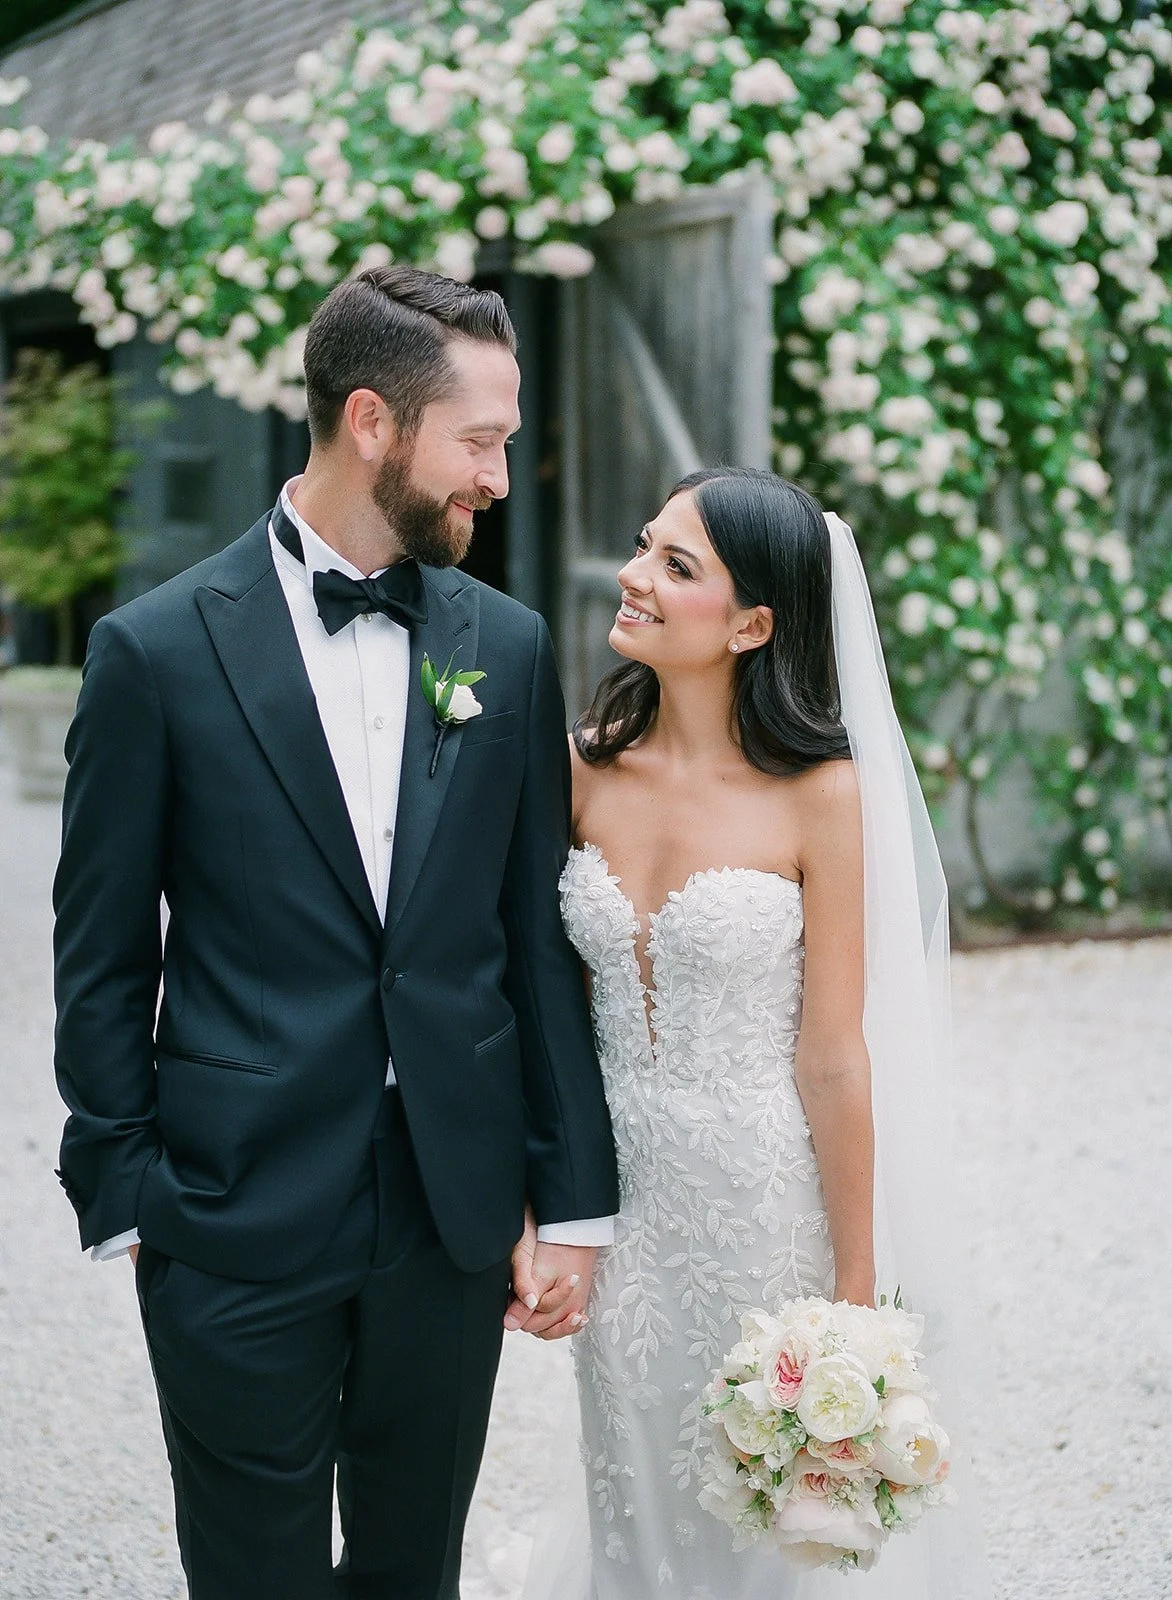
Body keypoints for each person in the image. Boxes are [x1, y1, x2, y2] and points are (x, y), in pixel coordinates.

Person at [52, 265, 619, 1600]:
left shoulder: (510, 645)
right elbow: (101, 952)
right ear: (371, 421)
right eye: (478, 442)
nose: (496, 475)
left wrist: (573, 1194)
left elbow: (533, 938)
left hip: (449, 1206)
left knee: (413, 1569)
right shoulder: (154, 652)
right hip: (231, 1208)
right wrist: (128, 1192)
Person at [524, 467, 989, 1598]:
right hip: (619, 1219)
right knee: (632, 1502)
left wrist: (854, 1290)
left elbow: (832, 1054)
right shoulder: (580, 762)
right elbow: (537, 1010)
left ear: (751, 623)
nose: (633, 576)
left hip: (760, 1210)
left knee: (765, 1534)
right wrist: (544, 1207)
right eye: (645, 544)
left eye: (675, 566)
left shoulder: (819, 794)